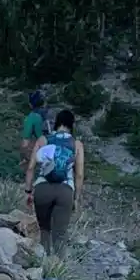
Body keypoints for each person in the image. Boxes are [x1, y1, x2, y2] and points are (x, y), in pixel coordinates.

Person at [24, 107, 85, 253]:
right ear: (72, 125)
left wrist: (28, 191)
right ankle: (57, 270)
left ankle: (42, 266)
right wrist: (76, 198)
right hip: (65, 190)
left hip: (43, 188)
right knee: (60, 234)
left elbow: (31, 167)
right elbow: (79, 174)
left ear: (56, 123)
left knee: (44, 230)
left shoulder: (43, 140)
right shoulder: (77, 144)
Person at [19, 89, 48, 164]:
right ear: (44, 103)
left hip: (46, 153)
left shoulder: (31, 118)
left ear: (30, 105)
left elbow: (25, 144)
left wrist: (23, 159)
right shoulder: (53, 112)